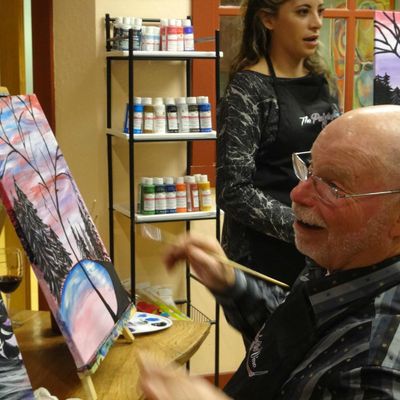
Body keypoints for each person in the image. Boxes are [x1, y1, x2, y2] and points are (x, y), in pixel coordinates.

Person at [140, 105, 400, 399]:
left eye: (332, 186)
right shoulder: (336, 262)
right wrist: (230, 283)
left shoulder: (378, 365)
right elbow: (294, 335)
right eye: (308, 170)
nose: (297, 194)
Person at [217, 0, 340, 286]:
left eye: (320, 11)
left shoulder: (322, 80)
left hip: (318, 255)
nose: (317, 23)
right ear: (268, 19)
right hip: (263, 263)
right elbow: (233, 191)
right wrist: (303, 226)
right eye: (302, 12)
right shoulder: (248, 91)